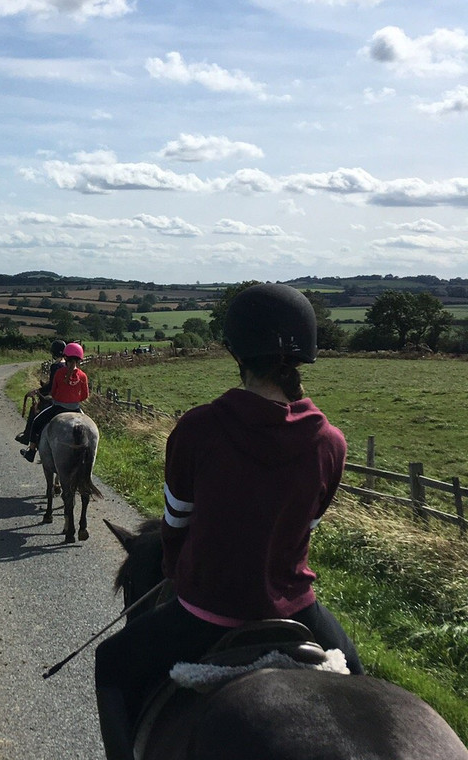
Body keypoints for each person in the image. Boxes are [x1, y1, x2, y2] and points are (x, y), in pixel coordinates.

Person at [92, 283, 363, 760]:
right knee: (363, 691)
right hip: (297, 609)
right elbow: (303, 532)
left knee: (109, 664)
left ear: (234, 350)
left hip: (205, 610)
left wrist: (179, 572)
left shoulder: (198, 428)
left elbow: (175, 525)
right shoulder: (331, 443)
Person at [20, 342, 88, 462]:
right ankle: (88, 456)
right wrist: (75, 400)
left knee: (36, 421)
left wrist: (59, 399)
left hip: (58, 407)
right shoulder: (83, 376)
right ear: (79, 359)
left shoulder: (59, 373)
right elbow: (85, 395)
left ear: (65, 357)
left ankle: (31, 451)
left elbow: (54, 392)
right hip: (76, 409)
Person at [15, 339, 67, 445]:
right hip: (69, 399)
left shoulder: (55, 366)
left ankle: (27, 437)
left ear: (53, 352)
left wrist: (37, 391)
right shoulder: (68, 365)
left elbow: (51, 386)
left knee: (34, 412)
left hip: (56, 399)